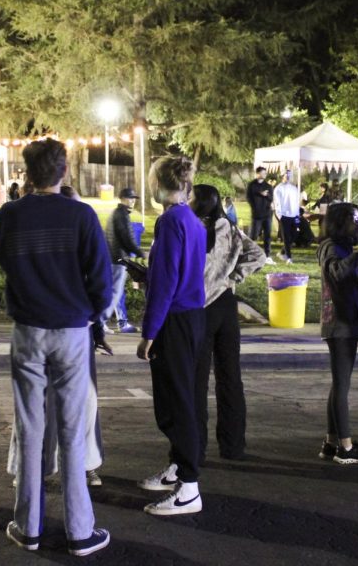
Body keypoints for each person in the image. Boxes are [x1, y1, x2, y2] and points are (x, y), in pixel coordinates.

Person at [0, 138, 112, 555]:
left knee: (29, 427)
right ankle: (80, 530)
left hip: (28, 328)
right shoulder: (81, 215)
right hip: (73, 328)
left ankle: (29, 526)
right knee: (74, 430)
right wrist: (94, 314)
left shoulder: (11, 215)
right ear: (65, 171)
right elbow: (100, 276)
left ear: (26, 172)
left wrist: (27, 274)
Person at [135, 156, 207, 516]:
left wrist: (149, 332)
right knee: (185, 396)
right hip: (192, 316)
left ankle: (189, 488)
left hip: (174, 320)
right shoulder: (192, 220)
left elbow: (165, 283)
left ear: (159, 183)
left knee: (174, 402)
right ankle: (180, 469)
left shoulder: (169, 221)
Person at [190, 184, 265, 463]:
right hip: (226, 306)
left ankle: (196, 446)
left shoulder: (193, 229)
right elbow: (258, 256)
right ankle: (233, 445)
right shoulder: (231, 229)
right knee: (230, 377)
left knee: (197, 381)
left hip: (201, 306)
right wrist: (233, 277)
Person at [317, 202, 358, 465]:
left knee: (339, 385)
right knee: (342, 387)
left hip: (347, 322)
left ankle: (331, 442)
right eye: (355, 220)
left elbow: (350, 288)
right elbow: (336, 273)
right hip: (339, 324)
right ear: (341, 222)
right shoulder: (331, 247)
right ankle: (346, 446)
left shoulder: (344, 248)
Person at [104, 187, 142, 334]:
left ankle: (118, 322)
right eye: (130, 198)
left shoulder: (118, 214)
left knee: (115, 292)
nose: (133, 201)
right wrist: (139, 253)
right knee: (115, 292)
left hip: (114, 258)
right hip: (117, 259)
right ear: (123, 199)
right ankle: (101, 322)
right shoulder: (121, 215)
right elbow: (126, 238)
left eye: (133, 198)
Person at [273, 171, 302, 263]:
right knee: (286, 237)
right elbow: (277, 203)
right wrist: (279, 215)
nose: (288, 178)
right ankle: (289, 257)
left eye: (290, 176)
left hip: (294, 215)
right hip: (284, 215)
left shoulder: (294, 189)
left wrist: (297, 214)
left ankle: (282, 252)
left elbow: (297, 202)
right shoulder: (278, 188)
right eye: (286, 176)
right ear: (282, 177)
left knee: (294, 235)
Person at [245, 167, 273, 256]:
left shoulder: (268, 186)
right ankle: (249, 252)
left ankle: (267, 254)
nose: (264, 174)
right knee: (254, 235)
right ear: (258, 174)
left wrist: (266, 195)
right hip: (256, 214)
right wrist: (254, 207)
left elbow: (271, 198)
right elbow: (248, 198)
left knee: (267, 235)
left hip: (267, 214)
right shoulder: (252, 185)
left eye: (265, 173)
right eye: (263, 173)